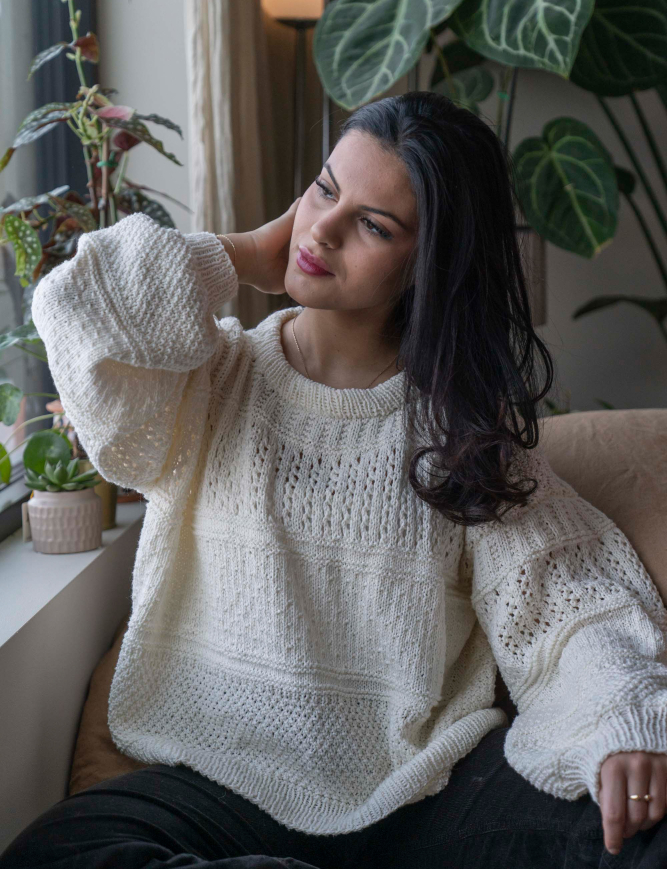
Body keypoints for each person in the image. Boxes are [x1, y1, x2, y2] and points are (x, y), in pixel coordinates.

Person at [3, 90, 667, 869]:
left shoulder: (462, 433)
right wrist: (243, 254)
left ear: (427, 264)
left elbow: (568, 605)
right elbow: (75, 304)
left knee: (645, 830)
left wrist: (623, 727)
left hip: (420, 795)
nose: (321, 230)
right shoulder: (206, 382)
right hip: (215, 783)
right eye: (324, 190)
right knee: (55, 856)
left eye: (373, 225)